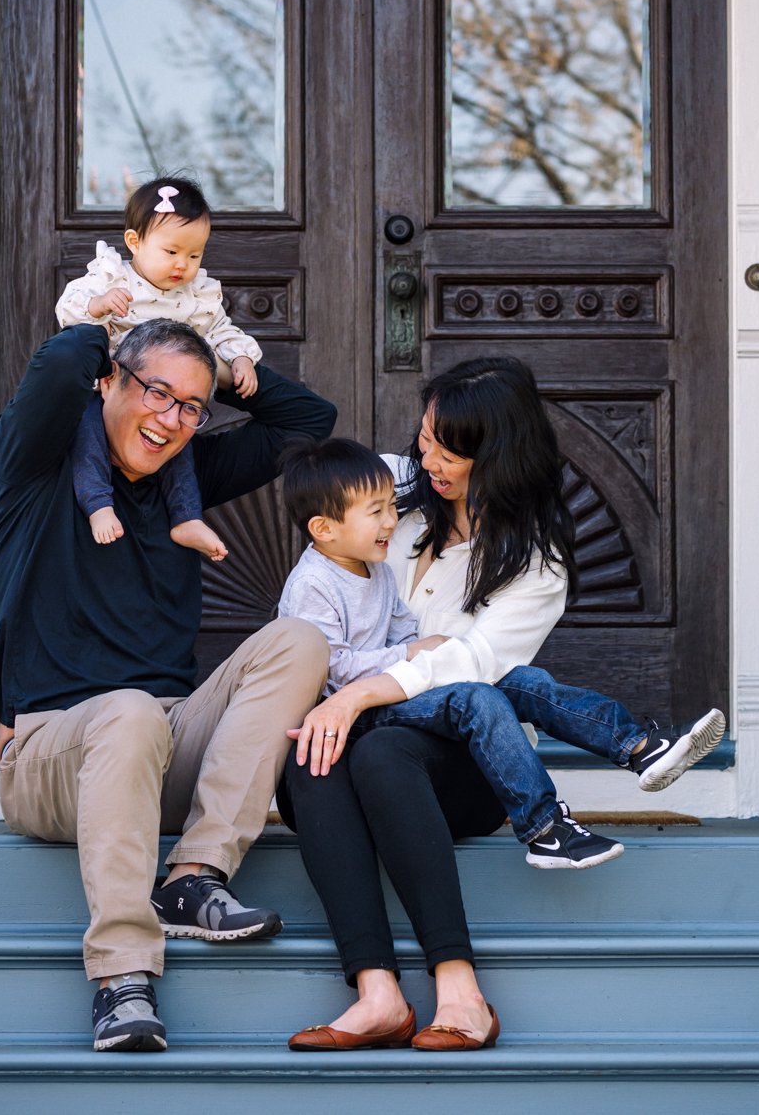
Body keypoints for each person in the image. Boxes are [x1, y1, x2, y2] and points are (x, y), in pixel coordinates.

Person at [277, 357, 724, 1054]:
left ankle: (460, 991)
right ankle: (377, 995)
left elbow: (475, 665)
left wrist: (362, 691)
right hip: (362, 739)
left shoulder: (535, 564)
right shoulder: (388, 503)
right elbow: (314, 489)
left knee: (385, 751)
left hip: (461, 763)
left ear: (496, 455)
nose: (426, 459)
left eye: (445, 449)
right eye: (423, 439)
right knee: (311, 758)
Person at [0, 315, 334, 1053]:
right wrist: (113, 320)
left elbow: (308, 418)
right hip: (51, 752)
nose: (170, 420)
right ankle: (121, 978)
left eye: (191, 407)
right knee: (128, 712)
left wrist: (234, 361)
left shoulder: (188, 478)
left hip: (164, 747)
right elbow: (60, 364)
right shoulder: (34, 468)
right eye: (157, 393)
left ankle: (195, 874)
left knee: (298, 640)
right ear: (110, 380)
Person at [274, 436, 724, 871]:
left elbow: (400, 627)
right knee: (479, 699)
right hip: (345, 713)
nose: (392, 519)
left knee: (519, 680)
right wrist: (410, 655)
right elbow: (330, 669)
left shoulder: (378, 566)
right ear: (324, 528)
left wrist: (416, 652)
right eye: (379, 512)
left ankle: (638, 745)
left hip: (392, 694)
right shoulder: (315, 584)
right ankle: (546, 829)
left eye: (444, 448)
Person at [55, 174, 261, 561]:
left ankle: (186, 517)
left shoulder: (196, 296)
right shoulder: (115, 277)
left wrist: (241, 358)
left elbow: (221, 329)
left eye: (194, 255)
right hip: (107, 392)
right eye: (171, 252)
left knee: (178, 442)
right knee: (87, 440)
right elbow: (68, 310)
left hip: (164, 398)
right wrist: (99, 304)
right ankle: (98, 504)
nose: (183, 265)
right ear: (135, 242)